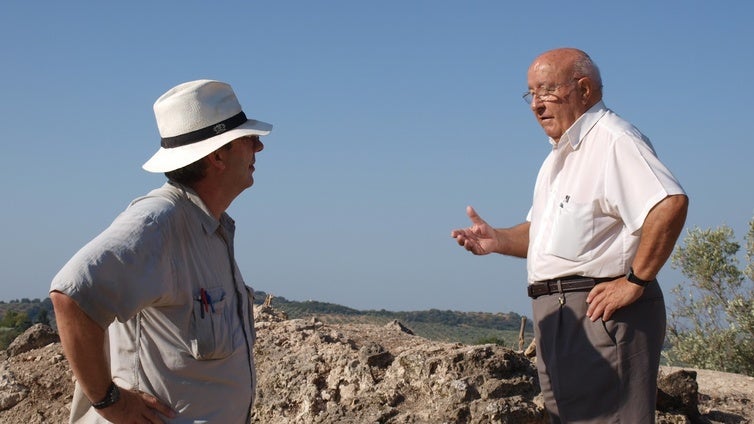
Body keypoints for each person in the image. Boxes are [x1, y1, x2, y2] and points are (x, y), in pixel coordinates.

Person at [451, 48, 688, 423]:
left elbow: (669, 204)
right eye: (531, 94)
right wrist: (496, 239)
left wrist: (635, 281)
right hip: (560, 319)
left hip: (601, 316)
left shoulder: (614, 139)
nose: (535, 104)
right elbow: (542, 235)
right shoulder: (557, 158)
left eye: (546, 91)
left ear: (585, 89)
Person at [50, 79, 272, 423]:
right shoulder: (159, 222)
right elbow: (72, 294)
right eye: (247, 139)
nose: (258, 147)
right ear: (217, 156)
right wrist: (110, 401)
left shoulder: (209, 228)